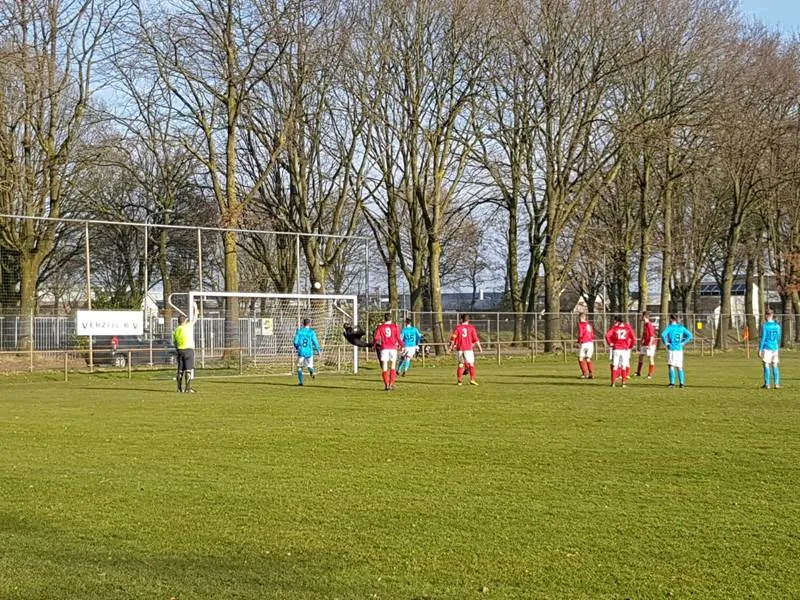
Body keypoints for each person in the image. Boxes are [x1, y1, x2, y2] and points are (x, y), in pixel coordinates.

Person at [660, 314, 693, 388]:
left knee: (671, 365)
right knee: (679, 366)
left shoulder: (670, 328)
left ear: (671, 319)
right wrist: (683, 342)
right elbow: (690, 335)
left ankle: (672, 383)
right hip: (679, 349)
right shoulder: (681, 327)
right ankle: (682, 384)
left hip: (672, 348)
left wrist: (666, 343)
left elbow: (662, 335)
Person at [449, 313, 483, 386]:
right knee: (471, 364)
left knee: (461, 364)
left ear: (461, 319)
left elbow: (453, 338)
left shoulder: (458, 328)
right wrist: (480, 347)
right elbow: (476, 339)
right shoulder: (471, 328)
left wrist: (451, 346)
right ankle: (472, 380)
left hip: (460, 349)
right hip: (468, 349)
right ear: (468, 320)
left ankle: (459, 381)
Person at [373, 313, 404, 391]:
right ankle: (391, 384)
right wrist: (402, 345)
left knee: (385, 366)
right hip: (393, 348)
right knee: (393, 365)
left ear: (384, 319)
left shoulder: (380, 327)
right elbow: (398, 338)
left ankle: (386, 384)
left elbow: (376, 338)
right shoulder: (395, 327)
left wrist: (373, 345)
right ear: (391, 319)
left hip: (384, 348)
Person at [173, 302, 198, 393]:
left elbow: (175, 342)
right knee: (188, 369)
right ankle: (188, 388)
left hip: (180, 350)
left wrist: (178, 349)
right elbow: (195, 318)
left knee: (180, 370)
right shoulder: (188, 326)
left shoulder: (176, 330)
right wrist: (195, 308)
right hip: (188, 350)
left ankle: (179, 388)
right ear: (185, 321)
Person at [604, 315, 636, 387]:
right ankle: (623, 383)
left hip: (616, 349)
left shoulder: (615, 328)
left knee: (615, 365)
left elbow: (607, 335)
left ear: (617, 321)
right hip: (624, 349)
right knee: (623, 366)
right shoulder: (627, 328)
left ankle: (613, 383)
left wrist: (610, 343)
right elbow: (633, 338)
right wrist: (630, 346)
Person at [293, 318, 322, 386]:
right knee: (309, 366)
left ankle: (301, 382)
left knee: (299, 367)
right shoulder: (311, 332)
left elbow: (295, 342)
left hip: (301, 352)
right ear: (309, 324)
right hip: (309, 352)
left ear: (303, 323)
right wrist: (319, 351)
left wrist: (298, 347)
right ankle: (312, 372)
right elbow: (315, 342)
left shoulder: (299, 331)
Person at [758, 309, 781, 389]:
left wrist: (760, 349)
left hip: (767, 347)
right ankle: (777, 384)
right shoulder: (777, 326)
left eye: (765, 315)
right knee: (775, 365)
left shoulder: (765, 326)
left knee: (766, 365)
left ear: (767, 315)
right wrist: (777, 347)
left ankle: (767, 384)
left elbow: (763, 338)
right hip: (775, 348)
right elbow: (779, 338)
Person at [635, 311, 658, 379]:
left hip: (650, 344)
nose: (641, 317)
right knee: (641, 356)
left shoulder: (649, 324)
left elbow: (652, 336)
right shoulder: (645, 324)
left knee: (650, 358)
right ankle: (638, 372)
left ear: (644, 316)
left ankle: (649, 375)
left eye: (642, 316)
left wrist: (650, 344)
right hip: (645, 343)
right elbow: (644, 334)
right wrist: (641, 341)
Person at [576, 312, 596, 379]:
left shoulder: (580, 324)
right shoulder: (589, 325)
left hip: (584, 343)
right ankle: (591, 373)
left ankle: (585, 373)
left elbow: (581, 333)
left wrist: (579, 341)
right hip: (590, 343)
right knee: (588, 358)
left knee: (580, 358)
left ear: (580, 317)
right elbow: (592, 335)